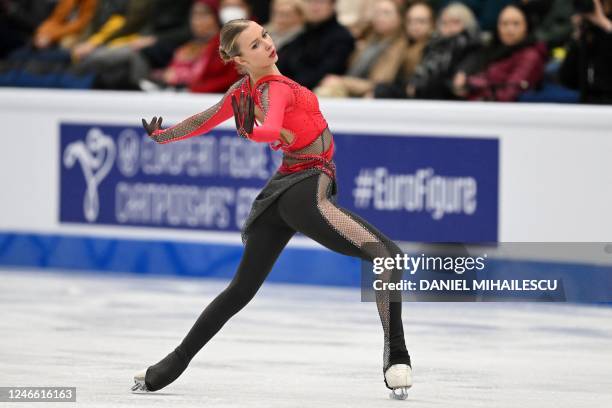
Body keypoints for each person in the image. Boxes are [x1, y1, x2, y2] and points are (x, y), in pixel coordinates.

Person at [132, 18, 413, 399]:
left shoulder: (245, 92)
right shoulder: (273, 89)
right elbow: (266, 125)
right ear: (240, 60)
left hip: (279, 195)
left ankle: (165, 369)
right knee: (388, 256)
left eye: (263, 35)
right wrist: (249, 130)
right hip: (304, 189)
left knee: (239, 291)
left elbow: (221, 122)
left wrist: (165, 135)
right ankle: (396, 356)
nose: (266, 44)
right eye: (253, 45)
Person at [451, 4, 548, 101]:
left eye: (516, 24)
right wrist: (463, 86)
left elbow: (509, 94)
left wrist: (472, 85)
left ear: (527, 26)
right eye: (504, 24)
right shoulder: (493, 50)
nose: (509, 29)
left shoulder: (530, 56)